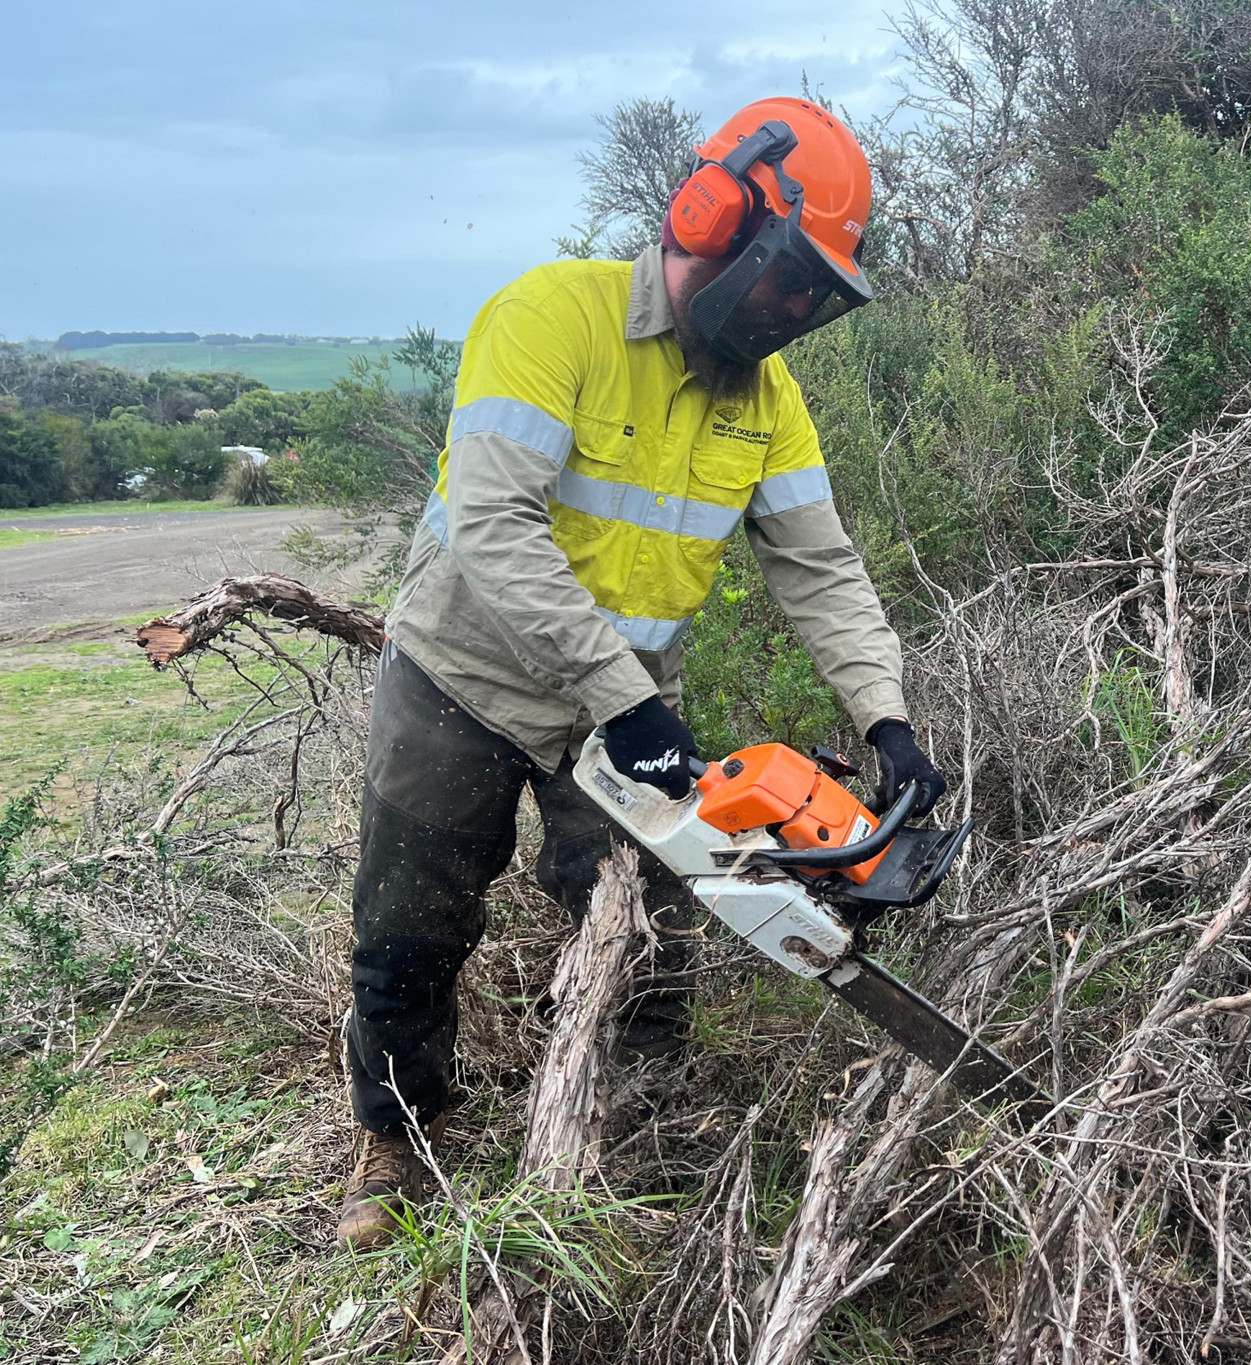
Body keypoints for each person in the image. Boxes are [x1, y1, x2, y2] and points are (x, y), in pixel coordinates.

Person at [336, 97, 946, 1250]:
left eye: (812, 295)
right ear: (712, 218)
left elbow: (820, 565)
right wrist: (628, 698)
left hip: (617, 709)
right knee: (408, 928)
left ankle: (644, 1127)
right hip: (459, 675)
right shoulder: (549, 317)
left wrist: (886, 718)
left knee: (652, 930)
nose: (789, 312)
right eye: (784, 280)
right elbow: (494, 526)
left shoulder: (766, 402)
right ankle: (396, 1140)